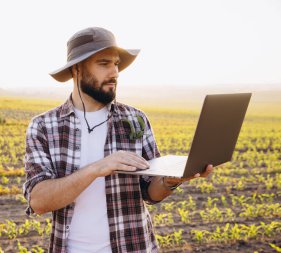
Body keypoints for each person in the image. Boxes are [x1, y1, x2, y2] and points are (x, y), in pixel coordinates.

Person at [23, 27, 213, 253]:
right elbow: (39, 201)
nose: (114, 72)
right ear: (76, 69)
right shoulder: (44, 126)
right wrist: (98, 168)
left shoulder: (135, 119)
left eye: (116, 64)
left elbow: (149, 192)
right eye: (104, 64)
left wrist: (170, 181)